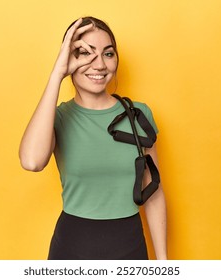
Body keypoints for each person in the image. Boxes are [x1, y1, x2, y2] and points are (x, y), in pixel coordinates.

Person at [19, 16, 167, 260]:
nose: (98, 64)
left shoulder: (139, 115)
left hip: (130, 248)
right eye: (84, 53)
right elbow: (32, 162)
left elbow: (154, 192)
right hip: (72, 248)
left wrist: (163, 264)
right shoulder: (58, 118)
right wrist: (57, 74)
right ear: (69, 58)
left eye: (108, 54)